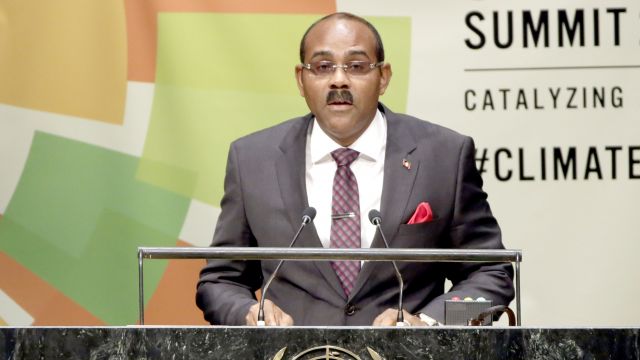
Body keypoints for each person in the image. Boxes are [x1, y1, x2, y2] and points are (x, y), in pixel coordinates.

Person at [196, 12, 514, 326]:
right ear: (301, 79)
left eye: (357, 66)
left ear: (384, 76)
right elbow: (220, 282)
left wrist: (430, 324)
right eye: (322, 67)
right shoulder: (253, 159)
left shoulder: (444, 156)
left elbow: (492, 275)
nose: (338, 79)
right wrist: (247, 313)